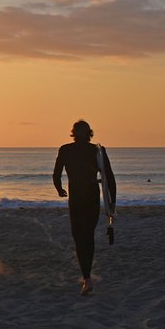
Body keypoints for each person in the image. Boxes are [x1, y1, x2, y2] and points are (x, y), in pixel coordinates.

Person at [53, 120, 116, 296]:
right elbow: (109, 177)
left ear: (73, 133)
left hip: (77, 199)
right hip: (92, 197)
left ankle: (86, 278)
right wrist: (112, 202)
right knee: (88, 236)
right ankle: (87, 277)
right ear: (90, 133)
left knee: (79, 237)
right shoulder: (96, 150)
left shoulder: (66, 150)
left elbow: (56, 174)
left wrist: (59, 189)